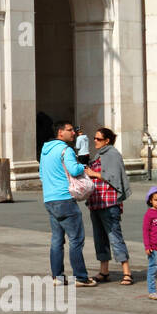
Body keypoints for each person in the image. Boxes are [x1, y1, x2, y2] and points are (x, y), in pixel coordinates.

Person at [39, 119, 101, 287]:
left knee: (57, 240)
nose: (73, 133)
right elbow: (74, 170)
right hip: (64, 198)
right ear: (60, 132)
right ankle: (81, 277)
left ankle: (57, 277)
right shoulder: (65, 150)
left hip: (50, 199)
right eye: (70, 130)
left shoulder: (45, 151)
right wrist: (84, 168)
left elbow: (41, 175)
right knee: (76, 239)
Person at [87, 127, 133, 285]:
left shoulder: (112, 154)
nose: (95, 141)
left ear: (107, 141)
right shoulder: (99, 155)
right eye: (94, 138)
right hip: (96, 202)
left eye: (98, 139)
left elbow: (114, 177)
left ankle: (127, 272)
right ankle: (104, 271)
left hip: (110, 202)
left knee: (115, 237)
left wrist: (94, 174)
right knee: (100, 238)